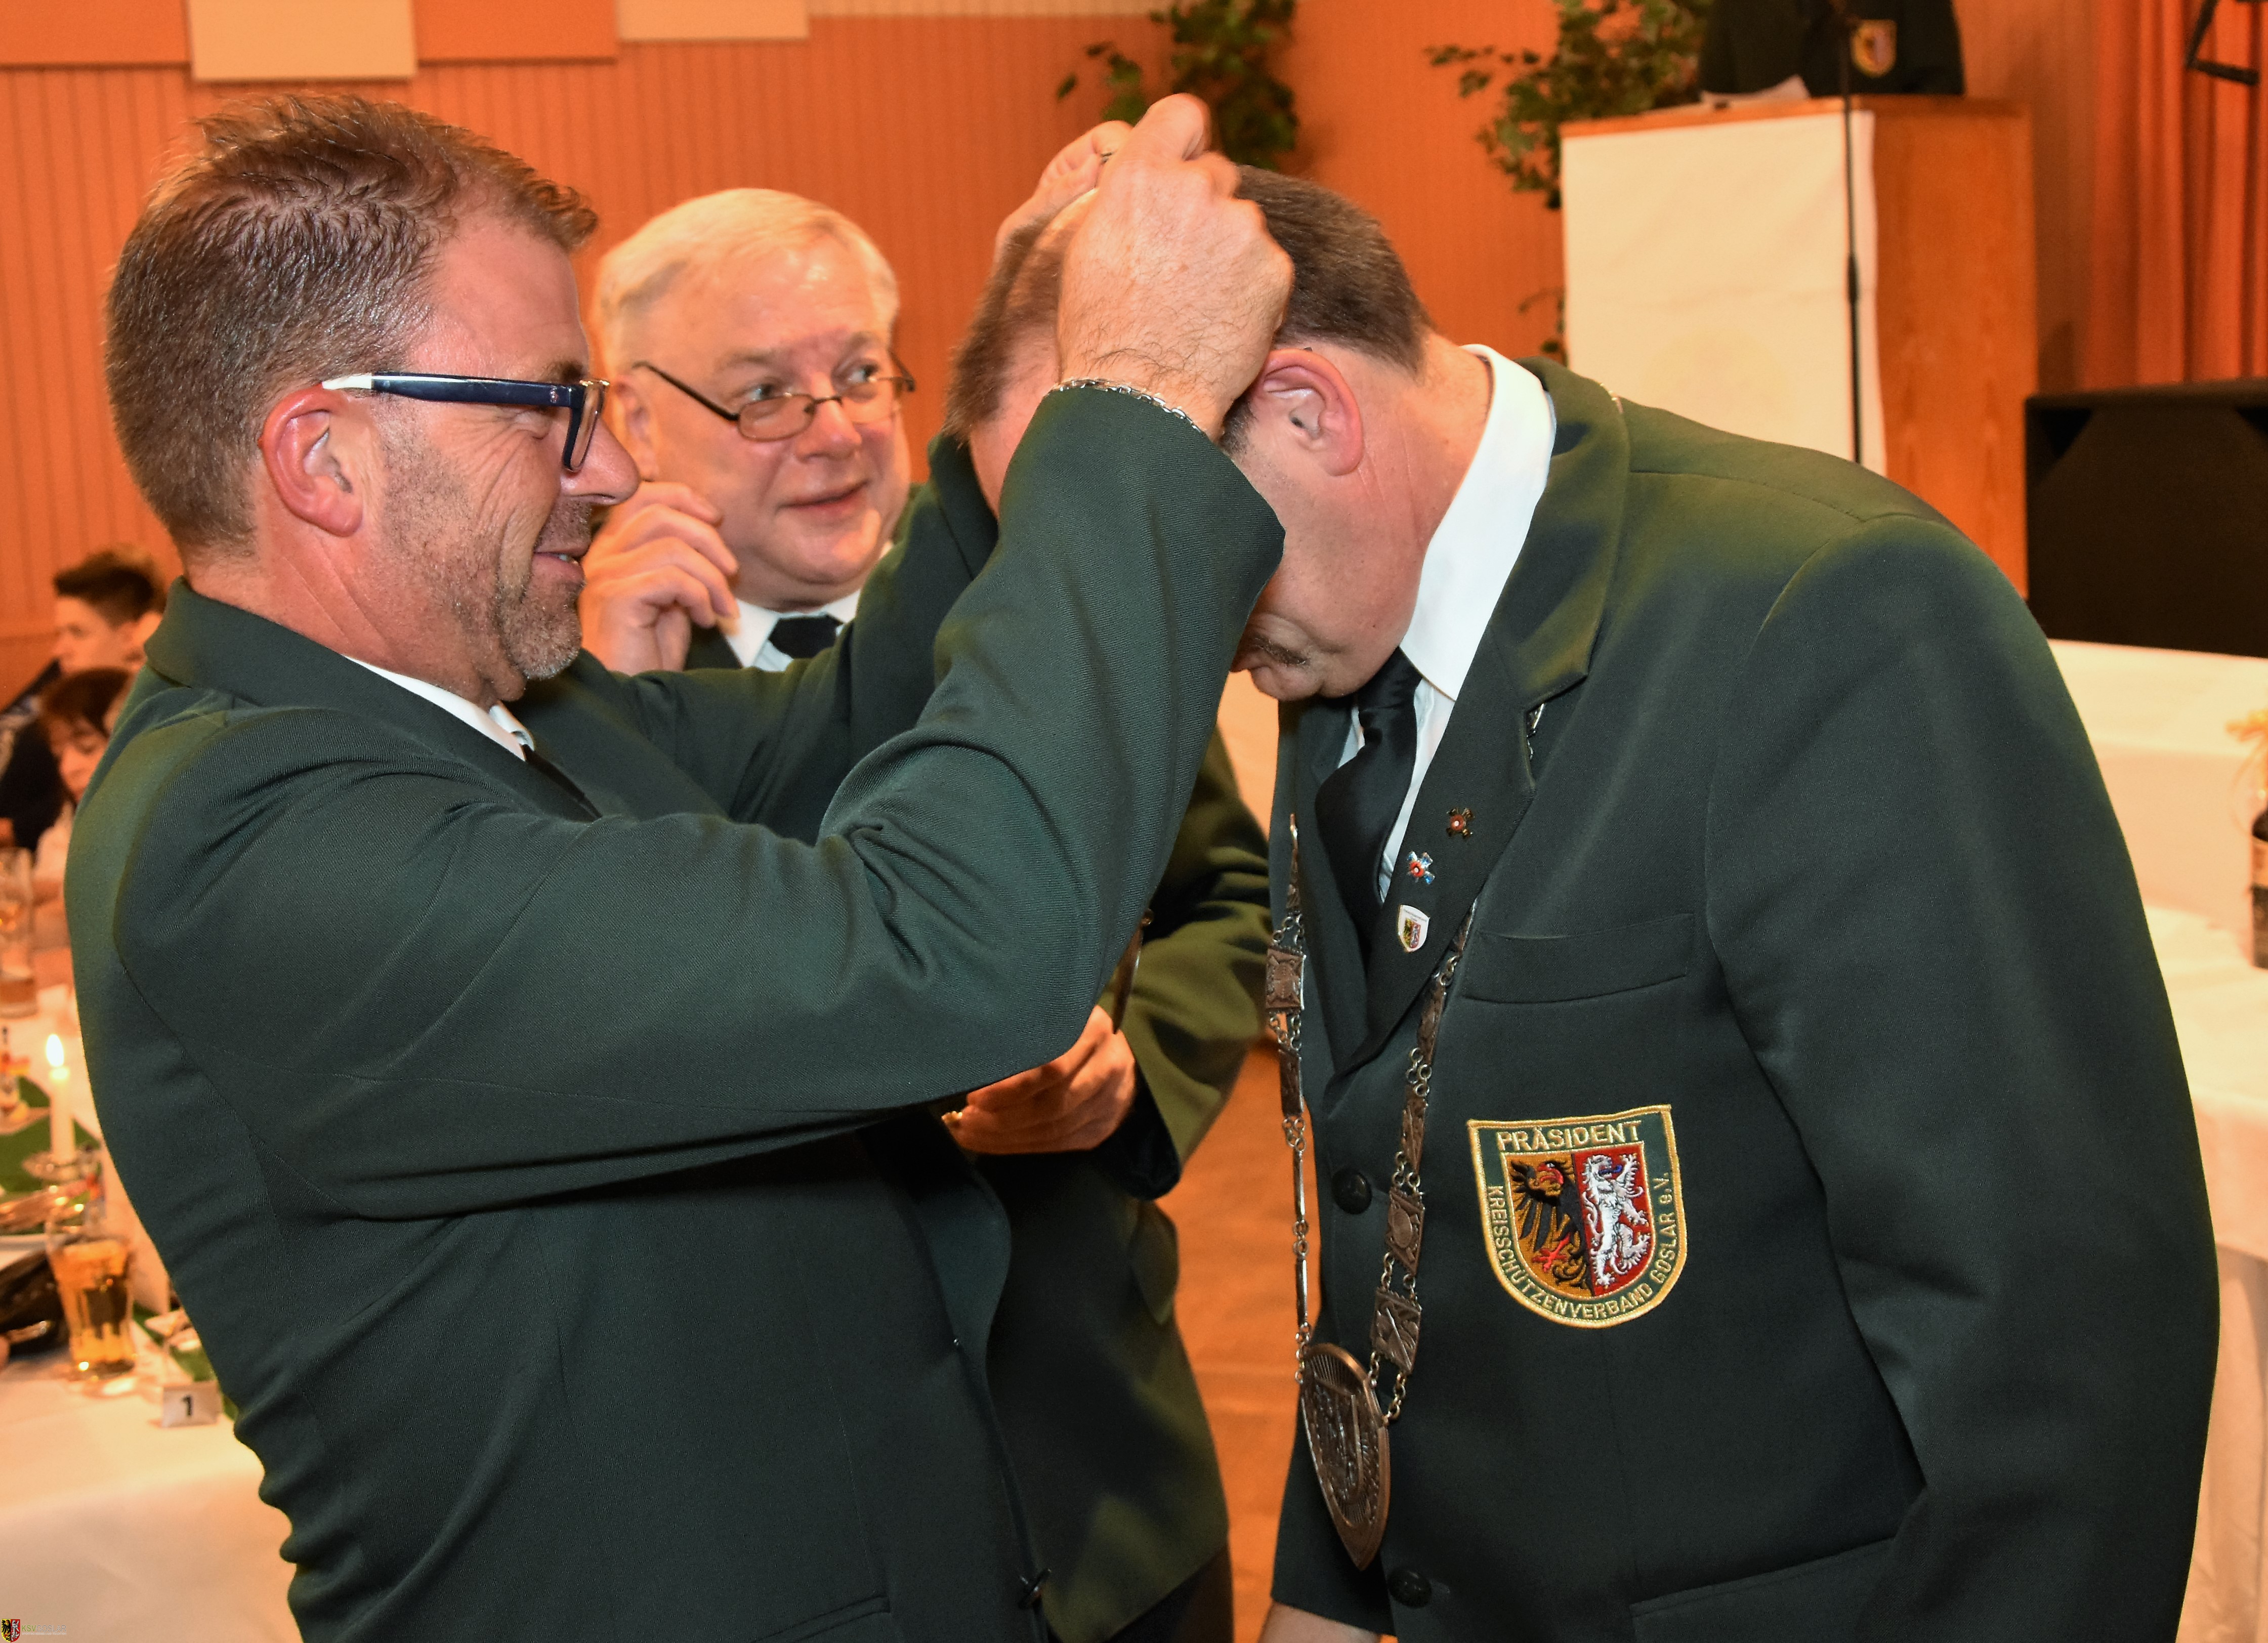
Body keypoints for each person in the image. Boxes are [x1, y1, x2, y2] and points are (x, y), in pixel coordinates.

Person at [74, 90, 1290, 1641]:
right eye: (547, 403)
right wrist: (1138, 407)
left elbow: (856, 723)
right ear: (327, 458)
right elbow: (947, 947)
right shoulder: (252, 838)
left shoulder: (481, 713)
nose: (602, 468)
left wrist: (1018, 370)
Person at [949, 171, 2216, 1642]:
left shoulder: (1828, 615)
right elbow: (1378, 1198)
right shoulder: (1337, 625)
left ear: (1306, 410)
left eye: (1145, 547)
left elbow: (2064, 1353)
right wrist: (1327, 1590)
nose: (1146, 627)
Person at [571, 159, 1267, 1643]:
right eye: (764, 392)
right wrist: (611, 712)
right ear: (634, 417)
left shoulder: (1040, 615)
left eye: (858, 374)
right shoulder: (563, 698)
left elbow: (1229, 893)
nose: (832, 431)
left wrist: (1131, 1078)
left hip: (1099, 1465)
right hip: (789, 1519)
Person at [0, 548, 164, 854]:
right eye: (60, 633)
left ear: (129, 637)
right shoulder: (59, 694)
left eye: (77, 633)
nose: (60, 650)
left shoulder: (152, 715)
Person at [1700, 0, 1964, 99]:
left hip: (1886, 173)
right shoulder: (1738, 6)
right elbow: (1715, 98)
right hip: (1774, 186)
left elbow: (1942, 90)